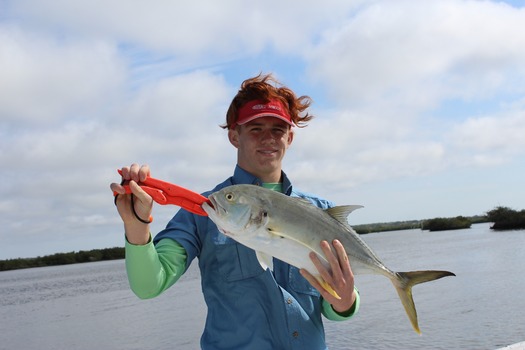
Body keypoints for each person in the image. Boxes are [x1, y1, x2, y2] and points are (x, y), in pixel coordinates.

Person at [111, 73, 360, 350]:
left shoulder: (321, 211)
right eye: (255, 129)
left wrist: (346, 302)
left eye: (277, 129)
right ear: (234, 136)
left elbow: (335, 307)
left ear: (289, 137)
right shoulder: (202, 211)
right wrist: (136, 226)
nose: (268, 138)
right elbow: (149, 286)